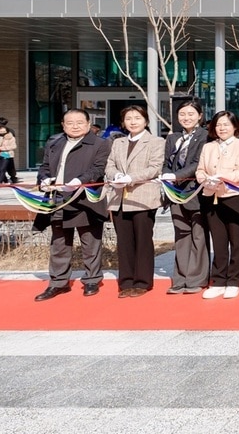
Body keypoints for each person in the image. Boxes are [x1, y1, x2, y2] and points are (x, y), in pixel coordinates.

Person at [33, 108, 112, 301]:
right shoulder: (54, 142)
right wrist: (44, 180)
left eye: (79, 122)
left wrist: (79, 181)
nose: (75, 126)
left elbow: (99, 169)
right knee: (59, 243)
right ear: (63, 125)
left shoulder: (100, 143)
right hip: (58, 199)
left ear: (88, 124)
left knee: (90, 242)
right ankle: (58, 283)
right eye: (70, 123)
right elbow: (44, 166)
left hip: (86, 199)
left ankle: (92, 280)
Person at [104, 104, 164, 299]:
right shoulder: (118, 142)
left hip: (142, 197)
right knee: (124, 242)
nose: (132, 122)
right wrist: (117, 175)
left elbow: (155, 167)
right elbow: (110, 165)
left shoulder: (155, 142)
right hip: (119, 197)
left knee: (143, 241)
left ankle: (142, 281)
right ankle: (126, 281)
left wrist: (131, 177)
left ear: (145, 121)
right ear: (123, 122)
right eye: (128, 118)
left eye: (137, 118)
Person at [196, 110, 239, 299]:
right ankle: (218, 280)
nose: (222, 128)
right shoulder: (209, 147)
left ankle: (234, 281)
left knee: (236, 240)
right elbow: (200, 170)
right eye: (218, 125)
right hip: (211, 196)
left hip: (233, 196)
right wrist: (205, 180)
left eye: (226, 124)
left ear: (235, 126)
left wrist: (223, 179)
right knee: (218, 241)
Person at [162, 99, 210, 295]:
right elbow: (166, 162)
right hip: (175, 193)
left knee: (199, 236)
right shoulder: (173, 138)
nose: (186, 117)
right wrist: (167, 176)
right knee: (181, 237)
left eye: (191, 114)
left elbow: (198, 163)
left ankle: (197, 278)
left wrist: (176, 176)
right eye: (182, 114)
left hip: (196, 192)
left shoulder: (205, 136)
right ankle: (180, 277)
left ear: (199, 116)